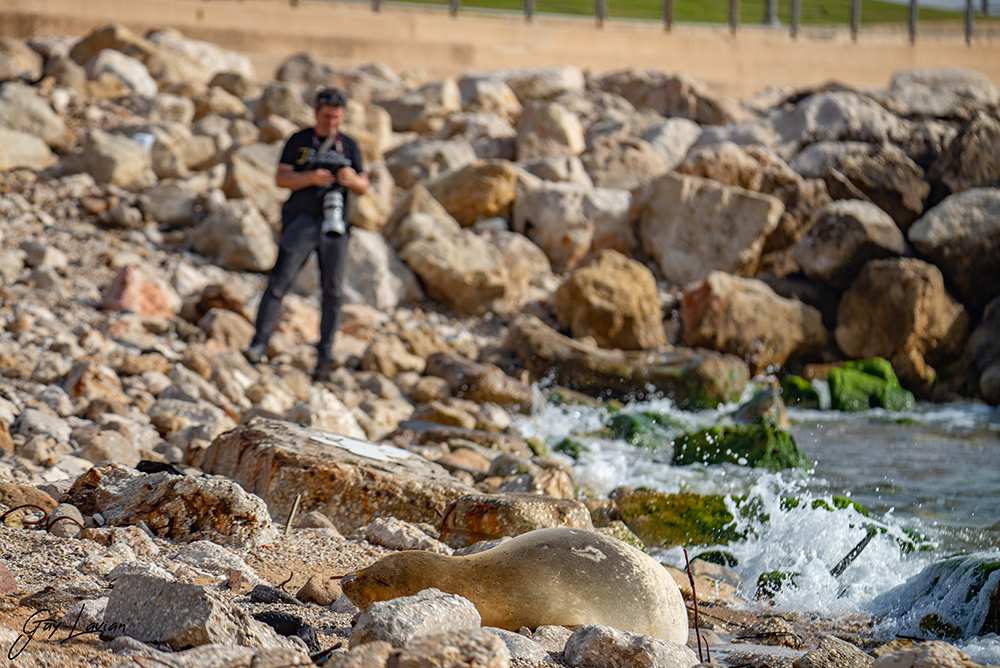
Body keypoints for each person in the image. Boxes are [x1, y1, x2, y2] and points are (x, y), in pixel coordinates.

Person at [243, 88, 369, 379]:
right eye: (327, 117)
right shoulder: (299, 140)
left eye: (337, 118)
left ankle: (325, 354)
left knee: (333, 291)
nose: (332, 123)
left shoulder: (348, 145)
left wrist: (352, 180)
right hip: (301, 220)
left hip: (334, 224)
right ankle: (258, 344)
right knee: (280, 281)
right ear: (316, 113)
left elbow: (364, 185)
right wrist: (310, 178)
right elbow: (280, 177)